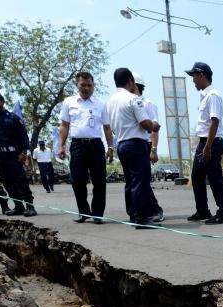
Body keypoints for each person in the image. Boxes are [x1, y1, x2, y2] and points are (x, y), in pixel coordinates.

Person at [105, 67, 163, 228]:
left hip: (122, 144)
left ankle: (133, 214)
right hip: (136, 144)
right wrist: (154, 126)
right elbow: (145, 123)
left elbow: (109, 127)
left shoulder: (110, 102)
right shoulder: (133, 99)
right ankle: (142, 217)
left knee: (130, 181)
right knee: (141, 182)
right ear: (130, 80)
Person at [57, 71, 114, 224]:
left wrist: (110, 147)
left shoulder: (101, 104)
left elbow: (107, 128)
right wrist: (61, 146)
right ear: (77, 85)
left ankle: (97, 214)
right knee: (78, 180)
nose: (86, 88)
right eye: (83, 85)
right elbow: (64, 125)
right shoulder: (69, 102)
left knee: (99, 181)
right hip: (77, 146)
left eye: (89, 85)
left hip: (96, 145)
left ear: (93, 86)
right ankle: (83, 212)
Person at [186, 62, 223, 224]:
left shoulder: (213, 96)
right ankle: (202, 210)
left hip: (212, 142)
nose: (193, 80)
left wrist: (208, 147)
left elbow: (214, 122)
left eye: (194, 76)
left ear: (202, 75)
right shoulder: (204, 96)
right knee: (196, 177)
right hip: (204, 142)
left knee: (215, 178)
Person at [0, 91, 36, 216]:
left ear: (2, 102)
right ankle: (18, 206)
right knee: (7, 181)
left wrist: (24, 152)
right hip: (0, 156)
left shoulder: (13, 118)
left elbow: (24, 137)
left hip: (14, 155)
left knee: (20, 180)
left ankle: (30, 206)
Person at [133, 73, 159, 165]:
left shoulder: (148, 104)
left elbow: (154, 129)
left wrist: (154, 150)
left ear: (134, 86)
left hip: (145, 144)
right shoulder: (127, 103)